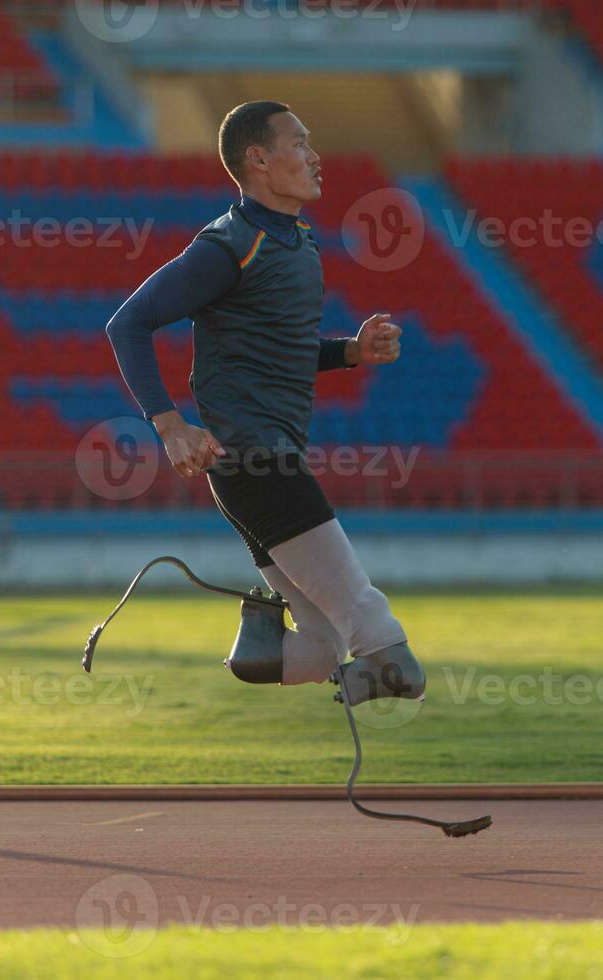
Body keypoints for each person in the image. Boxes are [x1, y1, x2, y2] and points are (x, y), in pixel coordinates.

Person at [104, 101, 423, 705]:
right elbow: (128, 324)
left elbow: (284, 351)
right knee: (385, 648)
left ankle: (260, 645)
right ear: (258, 159)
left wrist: (351, 352)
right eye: (299, 144)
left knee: (325, 644)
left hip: (260, 466)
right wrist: (171, 426)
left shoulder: (298, 243)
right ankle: (387, 667)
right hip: (257, 462)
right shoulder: (230, 245)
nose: (314, 155)